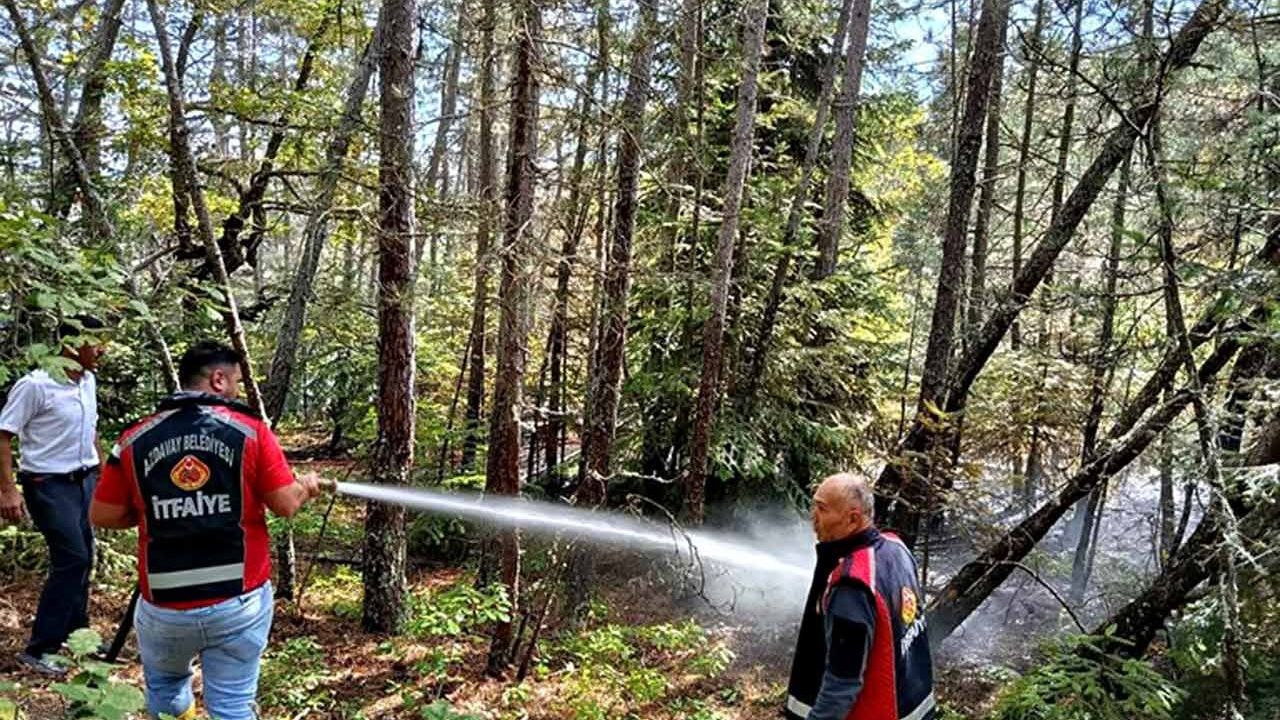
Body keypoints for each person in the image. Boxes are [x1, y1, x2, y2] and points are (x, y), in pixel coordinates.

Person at [89, 341, 322, 720]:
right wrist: (306, 486)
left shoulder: (134, 438)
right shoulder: (250, 432)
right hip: (238, 602)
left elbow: (102, 514)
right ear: (218, 379)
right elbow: (285, 504)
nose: (238, 389)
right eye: (236, 381)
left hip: (165, 607)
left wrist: (155, 512)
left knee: (166, 691)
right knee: (232, 706)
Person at [0, 315, 107, 676]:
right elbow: (3, 435)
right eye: (95, 342)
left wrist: (101, 472)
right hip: (48, 484)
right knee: (72, 558)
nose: (101, 350)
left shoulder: (88, 381)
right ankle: (40, 647)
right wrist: (7, 490)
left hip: (84, 480)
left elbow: (90, 429)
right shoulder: (36, 385)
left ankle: (79, 637)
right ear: (71, 345)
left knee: (85, 555)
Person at [783, 472, 935, 720]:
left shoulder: (853, 587)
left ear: (852, 518)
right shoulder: (896, 549)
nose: (813, 516)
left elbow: (842, 684)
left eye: (822, 508)